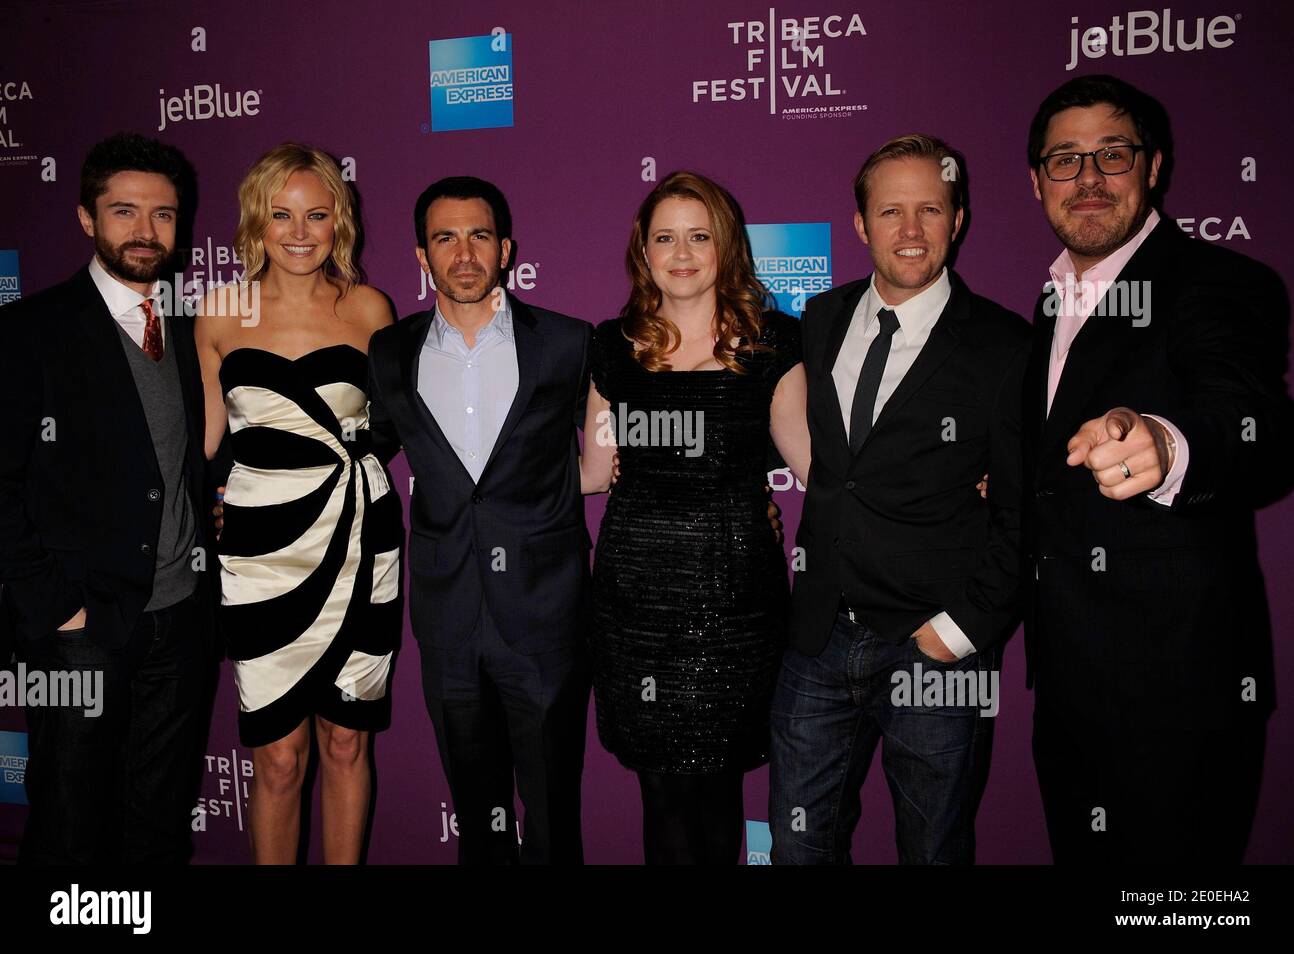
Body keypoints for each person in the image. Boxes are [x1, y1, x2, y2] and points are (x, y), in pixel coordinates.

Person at [1022, 75, 1294, 863]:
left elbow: (1262, 431)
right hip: (1070, 684)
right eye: (1065, 160)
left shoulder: (1216, 282)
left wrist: (1168, 444)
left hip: (1179, 690)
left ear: (1153, 167)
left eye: (1111, 155)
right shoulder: (1049, 305)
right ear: (1036, 181)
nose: (1087, 179)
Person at [769, 135, 1029, 865]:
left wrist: (962, 629)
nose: (910, 230)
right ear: (860, 225)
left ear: (959, 219)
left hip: (934, 646)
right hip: (817, 637)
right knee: (797, 846)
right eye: (890, 211)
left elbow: (1023, 508)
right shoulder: (819, 319)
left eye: (930, 210)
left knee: (933, 848)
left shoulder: (1005, 346)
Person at [580, 171, 810, 865]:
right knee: (661, 795)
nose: (682, 253)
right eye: (665, 237)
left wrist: (959, 477)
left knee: (717, 791)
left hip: (735, 609)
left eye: (699, 236)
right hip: (635, 607)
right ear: (643, 252)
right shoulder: (611, 348)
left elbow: (814, 467)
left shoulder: (774, 342)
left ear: (726, 246)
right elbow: (592, 472)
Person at [0, 133, 216, 863]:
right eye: (125, 211)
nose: (146, 232)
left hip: (181, 619)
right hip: (78, 628)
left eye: (163, 214)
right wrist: (57, 607)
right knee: (68, 818)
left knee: (156, 822)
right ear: (87, 219)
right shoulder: (30, 331)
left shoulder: (190, 326)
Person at [366, 176, 594, 864]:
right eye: (445, 237)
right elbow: (364, 455)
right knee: (479, 817)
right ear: (421, 255)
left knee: (554, 813)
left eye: (479, 235)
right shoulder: (390, 352)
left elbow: (617, 453)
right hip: (448, 620)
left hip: (547, 618)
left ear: (506, 250)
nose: (464, 252)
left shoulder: (567, 342)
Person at [195, 143, 400, 864]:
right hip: (261, 554)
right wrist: (196, 509)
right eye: (281, 215)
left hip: (360, 539)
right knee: (278, 757)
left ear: (338, 220)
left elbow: (400, 423)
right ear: (256, 221)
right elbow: (201, 444)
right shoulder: (221, 312)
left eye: (316, 214)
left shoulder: (369, 306)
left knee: (347, 741)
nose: (300, 231)